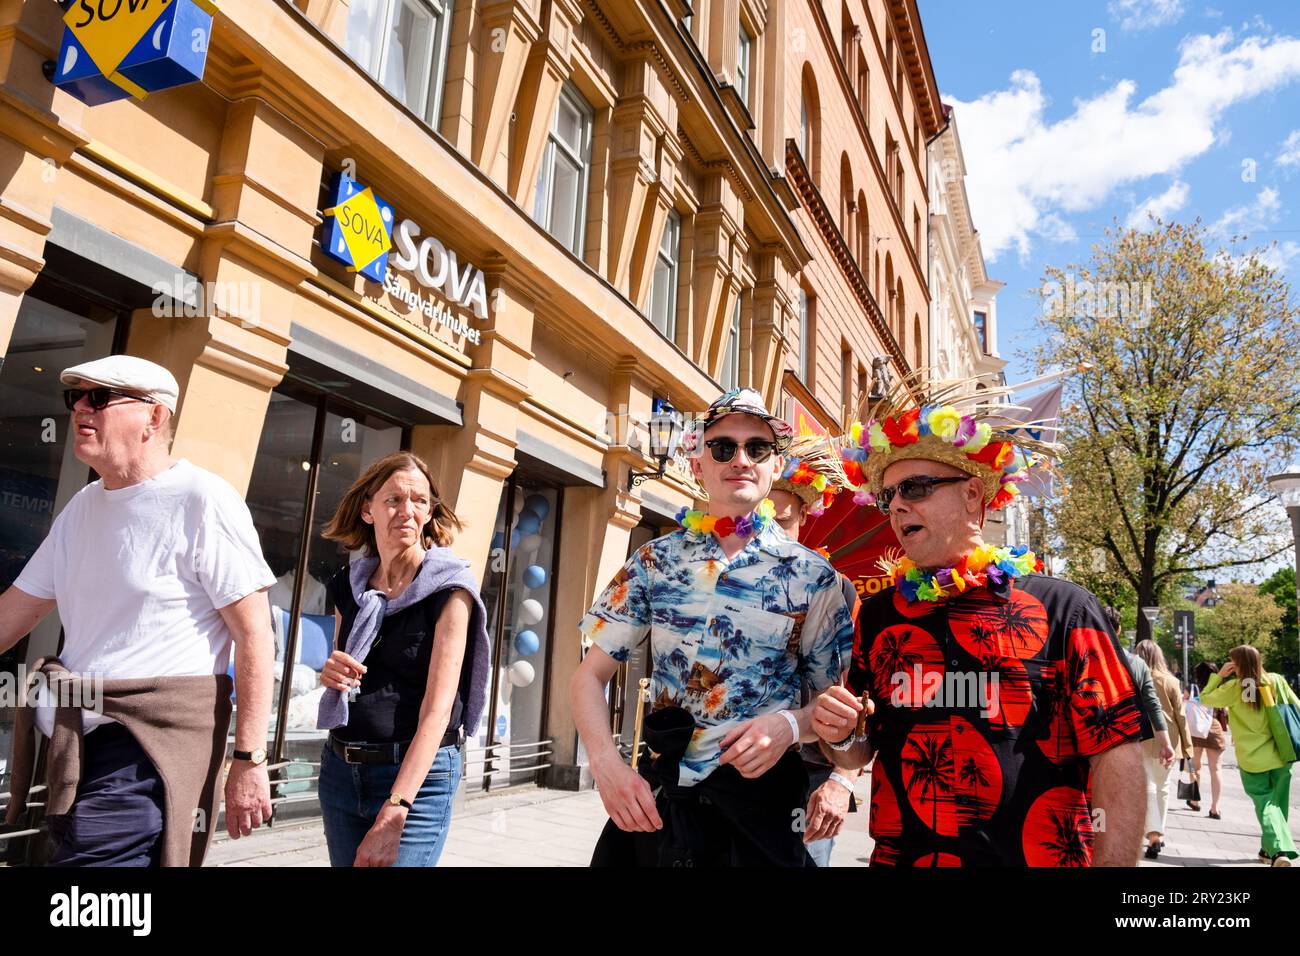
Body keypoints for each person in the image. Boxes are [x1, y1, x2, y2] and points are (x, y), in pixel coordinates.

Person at [812, 378, 1150, 866]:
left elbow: (1117, 753)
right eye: (888, 497)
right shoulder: (880, 615)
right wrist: (841, 733)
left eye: (916, 487)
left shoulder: (1065, 610)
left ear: (973, 494)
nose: (898, 506)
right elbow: (857, 753)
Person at [0, 355, 276, 866]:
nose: (81, 407)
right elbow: (13, 614)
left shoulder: (202, 499)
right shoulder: (81, 507)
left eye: (100, 398)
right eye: (76, 397)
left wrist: (249, 759)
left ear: (155, 417)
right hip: (72, 747)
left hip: (145, 752)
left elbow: (255, 634)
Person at [575, 388, 853, 866]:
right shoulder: (654, 561)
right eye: (723, 447)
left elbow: (834, 714)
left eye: (757, 448)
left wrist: (790, 725)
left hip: (761, 815)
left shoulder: (815, 578)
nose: (740, 459)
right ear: (698, 465)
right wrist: (606, 766)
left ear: (776, 466)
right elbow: (588, 676)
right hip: (660, 807)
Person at [315, 452, 490, 867]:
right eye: (393, 499)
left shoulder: (450, 591)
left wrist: (397, 806)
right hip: (342, 769)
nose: (406, 511)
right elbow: (346, 670)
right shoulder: (350, 585)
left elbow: (437, 710)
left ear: (430, 513)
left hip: (417, 783)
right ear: (368, 509)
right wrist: (331, 672)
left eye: (418, 501)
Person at [768, 434, 861, 866]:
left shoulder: (836, 589)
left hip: (807, 778)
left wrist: (842, 780)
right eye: (756, 520)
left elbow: (855, 691)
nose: (769, 537)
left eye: (781, 521)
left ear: (805, 514)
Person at [1198, 645, 1298, 866]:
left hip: (1253, 759)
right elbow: (1297, 706)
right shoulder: (1276, 680)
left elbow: (1205, 698)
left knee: (1266, 805)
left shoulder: (1235, 687)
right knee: (1277, 806)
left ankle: (1278, 850)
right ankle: (1267, 850)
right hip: (1282, 753)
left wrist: (1219, 676)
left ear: (1237, 665)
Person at [1133, 640, 1190, 859]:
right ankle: (1159, 835)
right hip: (1168, 737)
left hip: (1142, 737)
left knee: (1147, 786)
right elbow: (1181, 716)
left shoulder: (1134, 676)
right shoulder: (1171, 681)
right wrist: (1187, 748)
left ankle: (1153, 832)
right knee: (1163, 786)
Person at [1187, 660, 1229, 817]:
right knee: (1216, 769)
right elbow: (1225, 710)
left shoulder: (1191, 688)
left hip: (1194, 730)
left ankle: (1195, 800)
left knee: (1194, 767)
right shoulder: (1220, 689)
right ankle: (1215, 808)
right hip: (1213, 728)